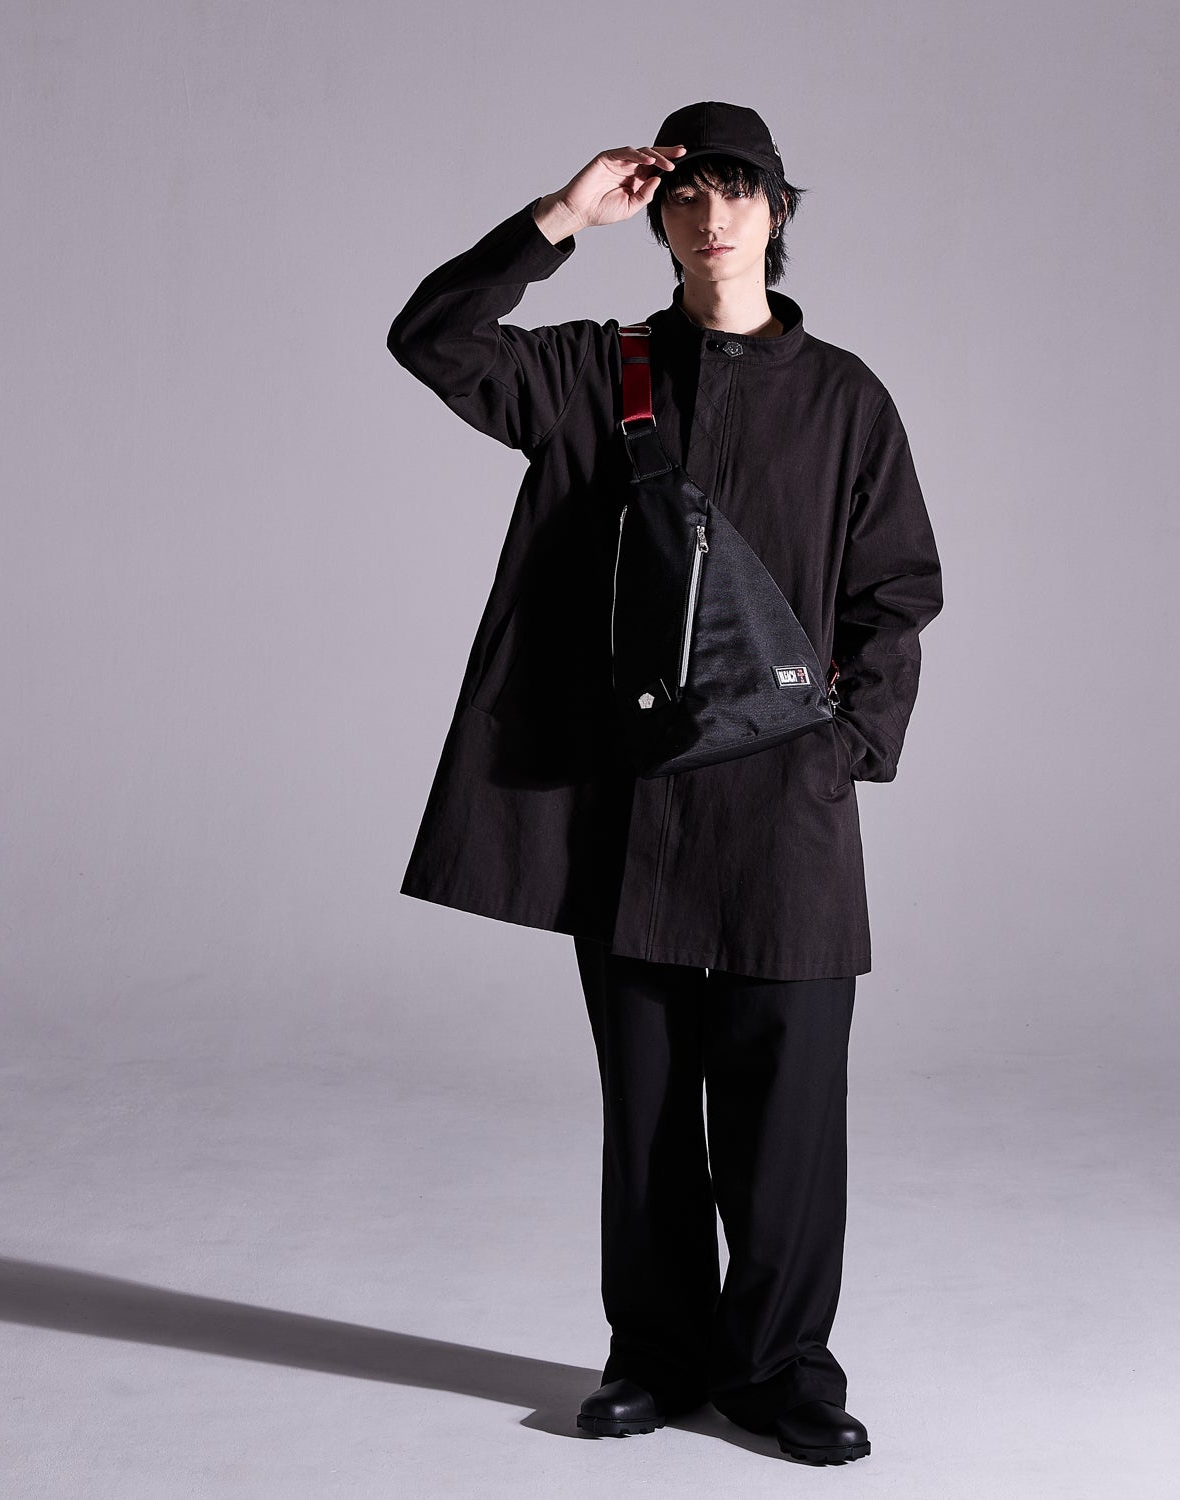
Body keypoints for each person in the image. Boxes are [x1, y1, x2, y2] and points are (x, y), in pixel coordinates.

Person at [387, 101, 943, 1466]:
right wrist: (561, 216)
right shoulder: (598, 372)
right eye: (686, 193)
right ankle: (655, 1353)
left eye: (737, 191)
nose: (711, 216)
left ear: (778, 210)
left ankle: (783, 1370)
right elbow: (434, 339)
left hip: (787, 813)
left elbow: (897, 589)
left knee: (788, 1112)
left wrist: (848, 749)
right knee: (644, 1107)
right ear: (660, 215)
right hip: (630, 809)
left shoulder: (846, 398)